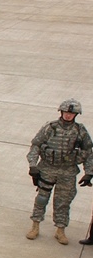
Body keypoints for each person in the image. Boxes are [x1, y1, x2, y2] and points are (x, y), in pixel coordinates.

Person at [27, 99, 93, 244]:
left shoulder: (80, 131)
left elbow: (89, 152)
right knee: (41, 199)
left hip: (68, 172)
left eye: (71, 113)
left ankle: (60, 230)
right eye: (66, 112)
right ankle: (35, 226)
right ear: (61, 112)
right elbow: (36, 146)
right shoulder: (50, 128)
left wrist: (88, 172)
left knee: (63, 202)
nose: (68, 116)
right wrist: (33, 165)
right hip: (48, 169)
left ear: (76, 115)